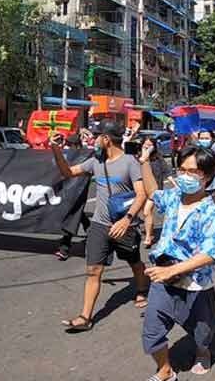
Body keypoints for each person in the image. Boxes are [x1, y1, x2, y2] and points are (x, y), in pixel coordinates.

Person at [51, 122, 149, 332]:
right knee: (93, 271)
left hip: (125, 225)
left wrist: (127, 220)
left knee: (134, 262)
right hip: (99, 225)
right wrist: (56, 149)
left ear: (106, 139)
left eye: (96, 136)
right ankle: (85, 317)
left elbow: (142, 193)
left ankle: (142, 287)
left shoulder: (130, 162)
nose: (93, 139)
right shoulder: (95, 161)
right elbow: (68, 172)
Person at [140, 144, 215, 380]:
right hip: (163, 278)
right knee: (152, 331)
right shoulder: (174, 198)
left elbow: (210, 253)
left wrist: (175, 270)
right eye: (182, 170)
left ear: (206, 177)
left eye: (192, 171)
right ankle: (165, 370)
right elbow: (152, 192)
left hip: (196, 286)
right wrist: (144, 161)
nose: (184, 176)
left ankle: (203, 352)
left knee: (201, 333)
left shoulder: (210, 213)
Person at [55, 133, 92, 261]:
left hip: (78, 189)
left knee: (72, 215)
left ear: (76, 145)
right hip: (66, 190)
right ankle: (92, 232)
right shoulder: (65, 154)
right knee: (78, 214)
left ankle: (64, 247)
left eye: (70, 144)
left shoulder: (85, 155)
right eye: (67, 144)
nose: (68, 146)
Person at [140, 135, 174, 248]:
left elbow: (167, 173)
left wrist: (176, 185)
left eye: (150, 145)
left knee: (146, 211)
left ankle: (149, 237)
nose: (148, 147)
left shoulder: (158, 158)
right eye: (146, 145)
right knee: (144, 213)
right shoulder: (137, 158)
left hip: (154, 191)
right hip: (140, 190)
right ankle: (149, 231)